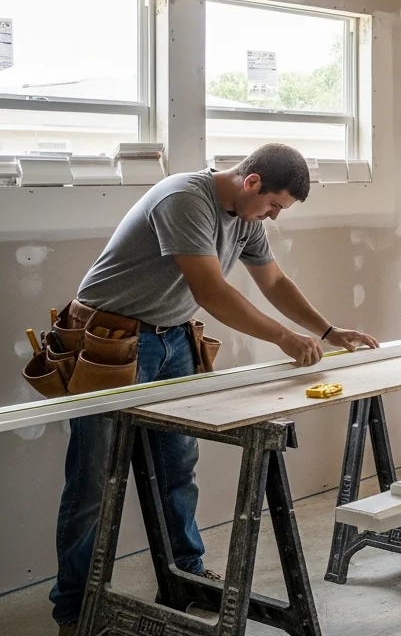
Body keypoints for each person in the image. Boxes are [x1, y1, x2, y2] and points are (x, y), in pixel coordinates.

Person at [50, 143, 378, 634]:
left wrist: (329, 332)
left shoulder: (246, 218)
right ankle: (74, 609)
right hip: (110, 339)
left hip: (174, 339)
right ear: (252, 182)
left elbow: (274, 282)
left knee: (177, 466)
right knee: (93, 479)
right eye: (274, 206)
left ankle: (185, 575)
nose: (273, 217)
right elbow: (211, 292)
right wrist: (285, 338)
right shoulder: (185, 199)